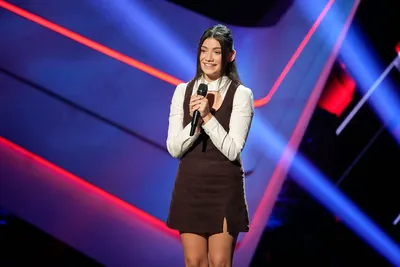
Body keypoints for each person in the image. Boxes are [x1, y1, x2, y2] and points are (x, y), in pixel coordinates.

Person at [166, 24, 254, 267]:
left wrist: (208, 117)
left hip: (224, 187)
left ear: (230, 56)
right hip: (190, 184)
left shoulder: (241, 94)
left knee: (219, 262)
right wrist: (195, 125)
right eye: (204, 51)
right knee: (194, 261)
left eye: (216, 51)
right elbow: (174, 148)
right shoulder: (182, 91)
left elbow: (233, 149)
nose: (209, 58)